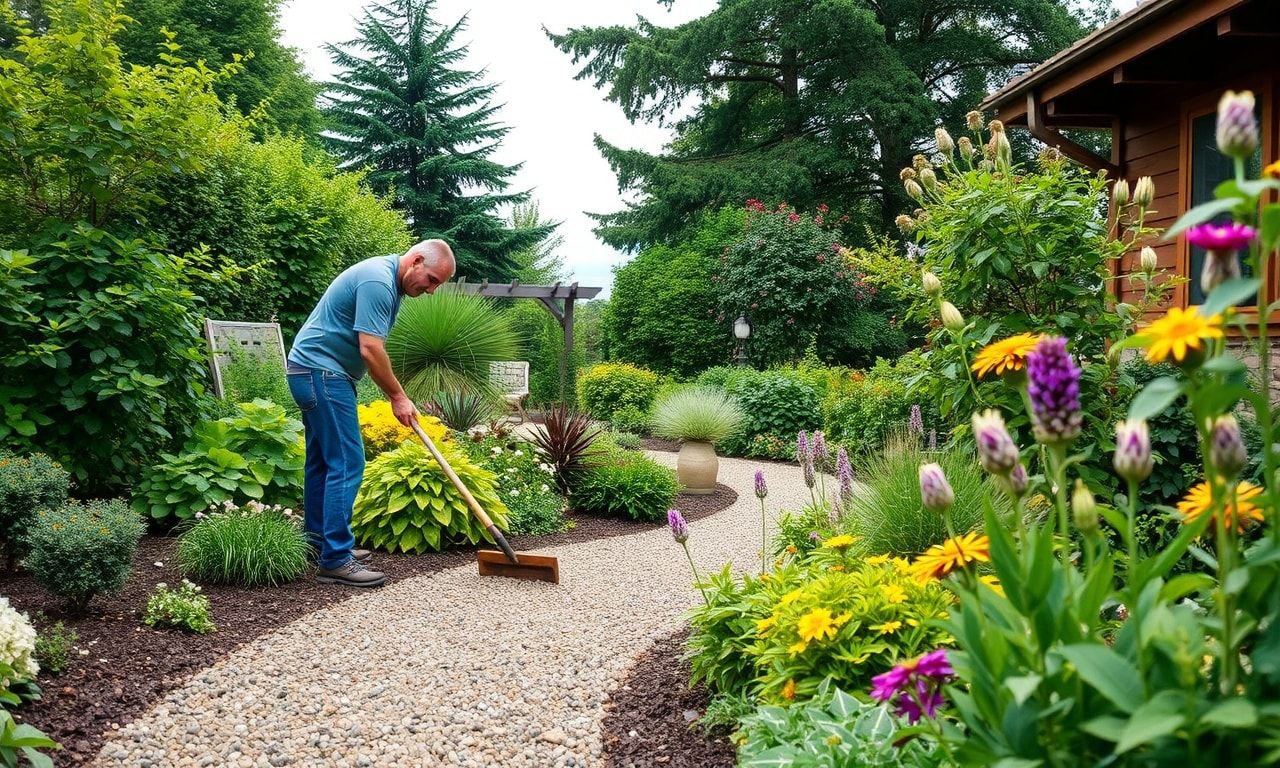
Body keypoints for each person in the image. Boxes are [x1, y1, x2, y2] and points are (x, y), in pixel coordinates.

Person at [286, 240, 456, 586]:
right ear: (417, 260)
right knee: (347, 462)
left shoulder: (386, 280)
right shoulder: (378, 281)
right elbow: (370, 348)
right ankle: (335, 558)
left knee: (323, 460)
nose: (432, 290)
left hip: (313, 372)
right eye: (433, 279)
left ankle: (319, 543)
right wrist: (398, 396)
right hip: (322, 373)